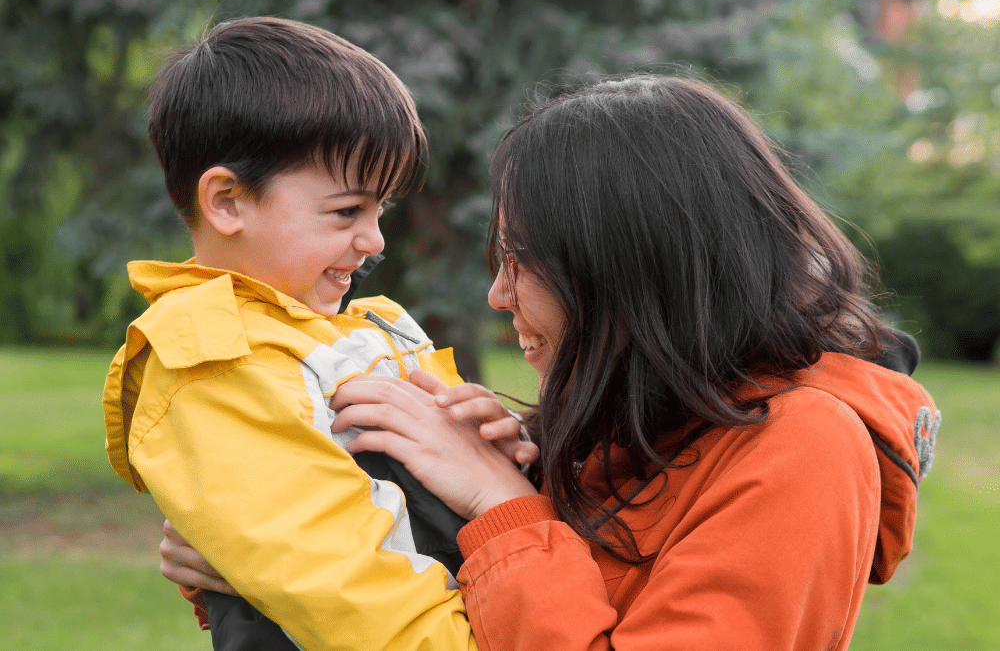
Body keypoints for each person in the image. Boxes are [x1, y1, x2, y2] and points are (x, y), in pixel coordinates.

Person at [161, 74, 941, 651]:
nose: (499, 296)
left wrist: (501, 504)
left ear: (628, 268)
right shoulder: (647, 416)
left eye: (521, 262)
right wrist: (269, 557)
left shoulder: (805, 447)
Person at [103, 16, 534, 651]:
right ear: (227, 202)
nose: (375, 240)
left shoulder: (366, 326)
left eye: (380, 210)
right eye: (346, 212)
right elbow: (342, 590)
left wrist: (506, 443)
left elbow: (450, 496)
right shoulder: (212, 361)